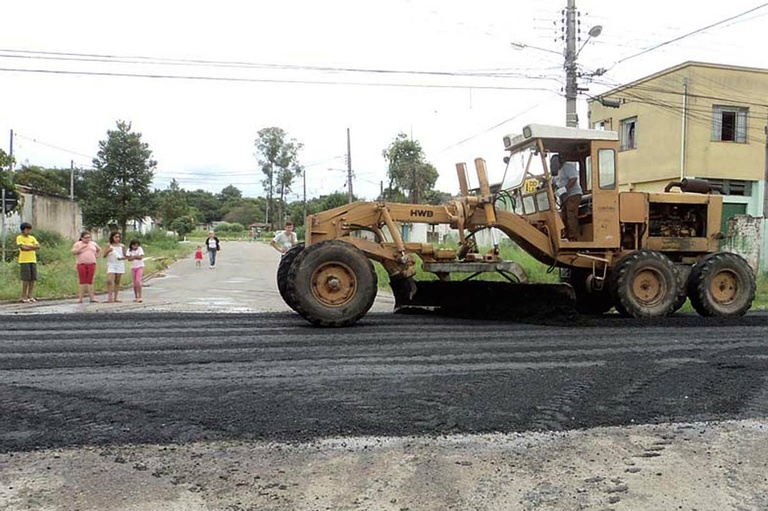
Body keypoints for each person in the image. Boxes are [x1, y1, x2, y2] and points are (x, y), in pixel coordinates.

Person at [550, 154, 582, 241]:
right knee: (563, 216)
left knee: (571, 215)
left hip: (573, 195)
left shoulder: (567, 167)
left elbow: (573, 178)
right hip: (564, 197)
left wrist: (565, 188)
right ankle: (566, 236)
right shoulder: (556, 173)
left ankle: (574, 238)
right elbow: (552, 184)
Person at [71, 231, 101, 303]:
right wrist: (80, 249)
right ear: (82, 238)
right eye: (86, 238)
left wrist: (97, 255)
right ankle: (80, 298)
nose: (88, 239)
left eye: (89, 237)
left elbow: (99, 249)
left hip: (92, 263)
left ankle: (92, 298)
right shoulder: (78, 244)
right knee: (82, 281)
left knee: (90, 281)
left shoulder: (93, 244)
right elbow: (73, 252)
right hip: (81, 264)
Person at [16, 222, 40, 303]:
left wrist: (28, 246)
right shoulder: (19, 238)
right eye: (27, 229)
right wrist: (32, 247)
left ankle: (30, 295)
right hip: (24, 260)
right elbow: (22, 248)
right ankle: (24, 296)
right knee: (25, 279)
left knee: (33, 278)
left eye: (29, 229)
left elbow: (38, 246)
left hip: (32, 260)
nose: (28, 231)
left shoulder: (32, 238)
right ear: (23, 230)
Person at [103, 231, 126, 302]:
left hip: (119, 264)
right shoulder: (109, 245)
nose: (117, 238)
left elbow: (125, 256)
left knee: (117, 281)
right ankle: (110, 297)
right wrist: (108, 251)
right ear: (112, 237)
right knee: (109, 280)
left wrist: (122, 258)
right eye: (116, 237)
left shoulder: (122, 246)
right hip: (111, 264)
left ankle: (116, 297)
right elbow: (104, 256)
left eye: (118, 237)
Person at [126, 239, 145, 303]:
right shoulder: (129, 250)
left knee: (138, 281)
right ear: (132, 245)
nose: (136, 247)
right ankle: (136, 296)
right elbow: (129, 259)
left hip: (140, 266)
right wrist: (135, 256)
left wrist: (133, 257)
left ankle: (140, 296)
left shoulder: (140, 249)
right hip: (133, 267)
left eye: (137, 245)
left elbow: (140, 257)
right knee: (134, 283)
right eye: (134, 246)